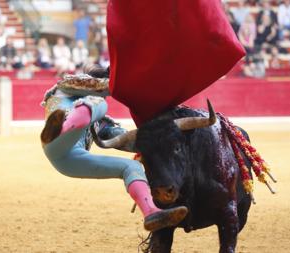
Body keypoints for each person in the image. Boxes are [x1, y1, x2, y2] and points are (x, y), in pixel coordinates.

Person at [40, 69, 188, 232]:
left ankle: (151, 212)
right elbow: (104, 87)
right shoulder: (68, 85)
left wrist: (150, 145)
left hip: (70, 160)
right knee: (100, 103)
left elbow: (121, 138)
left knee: (131, 167)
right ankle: (60, 129)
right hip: (56, 142)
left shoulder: (99, 119)